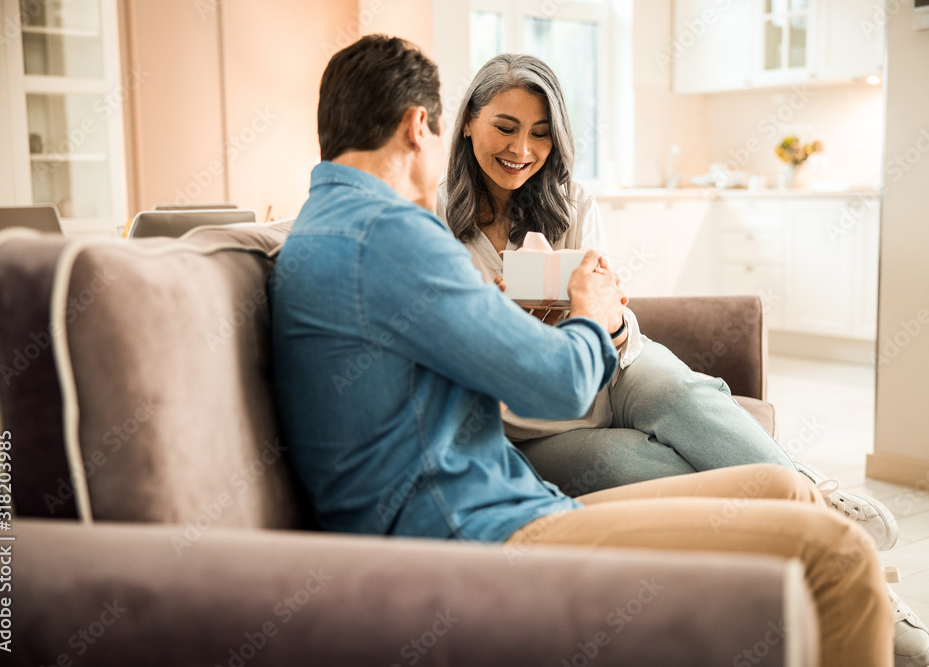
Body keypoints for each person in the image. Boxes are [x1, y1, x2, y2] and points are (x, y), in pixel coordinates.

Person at [270, 34, 895, 665]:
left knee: (781, 490)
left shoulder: (326, 226)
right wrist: (591, 312)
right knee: (837, 554)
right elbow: (560, 384)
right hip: (480, 532)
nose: (521, 149)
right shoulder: (396, 233)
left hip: (500, 502)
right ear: (420, 127)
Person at [437, 52, 929, 667]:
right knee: (637, 463)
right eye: (505, 127)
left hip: (616, 365)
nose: (522, 148)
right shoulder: (435, 231)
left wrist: (610, 321)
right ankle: (847, 575)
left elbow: (611, 311)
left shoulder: (571, 202)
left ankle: (827, 512)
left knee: (684, 394)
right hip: (535, 423)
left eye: (541, 133)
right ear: (467, 124)